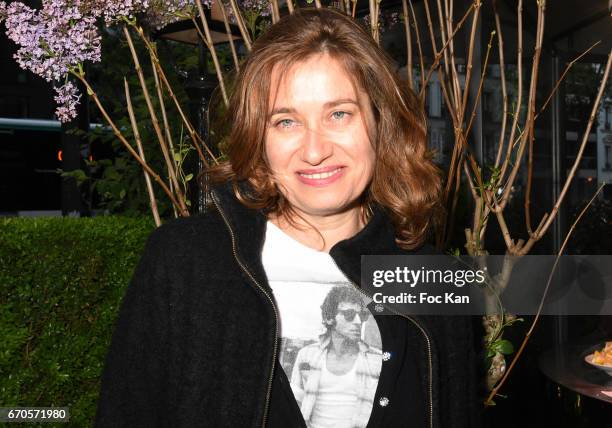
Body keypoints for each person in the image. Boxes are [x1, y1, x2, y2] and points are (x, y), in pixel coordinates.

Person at [95, 7, 482, 428]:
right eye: (285, 121)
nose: (315, 150)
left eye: (339, 114)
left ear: (379, 121)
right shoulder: (185, 262)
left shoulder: (434, 280)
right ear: (258, 140)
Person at [289, 286, 381, 428]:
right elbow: (294, 404)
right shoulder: (307, 355)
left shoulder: (377, 360)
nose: (358, 322)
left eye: (362, 315)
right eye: (349, 314)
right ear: (329, 318)